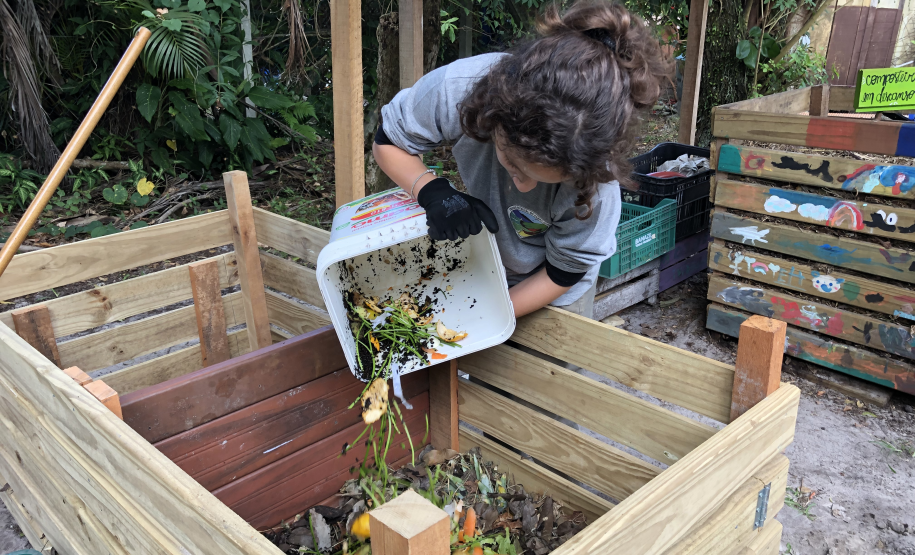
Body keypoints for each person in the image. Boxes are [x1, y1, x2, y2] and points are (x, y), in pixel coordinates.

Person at [373, 0, 669, 319]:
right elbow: (388, 142)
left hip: (554, 287)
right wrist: (432, 191)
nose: (524, 186)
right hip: (485, 263)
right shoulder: (459, 89)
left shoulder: (598, 185)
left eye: (544, 179)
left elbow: (564, 272)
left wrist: (486, 315)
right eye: (514, 165)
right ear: (494, 118)